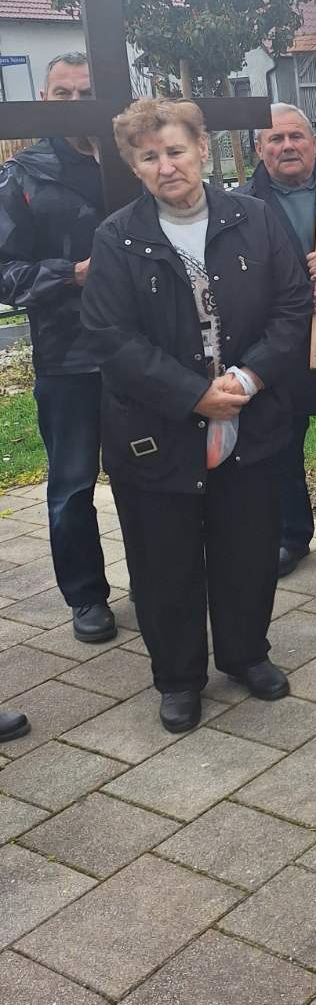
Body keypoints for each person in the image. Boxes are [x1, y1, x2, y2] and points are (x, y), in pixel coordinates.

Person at [81, 98, 310, 733]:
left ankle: (246, 654)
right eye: (149, 156)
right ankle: (179, 678)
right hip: (156, 432)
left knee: (248, 549)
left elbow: (293, 306)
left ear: (203, 150)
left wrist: (249, 376)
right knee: (165, 561)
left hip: (250, 421)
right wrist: (192, 394)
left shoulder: (255, 219)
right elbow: (110, 337)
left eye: (176, 151)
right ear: (134, 166)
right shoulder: (116, 238)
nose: (166, 166)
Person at [0, 53, 113, 644]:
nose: (75, 104)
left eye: (86, 93)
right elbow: (5, 274)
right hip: (67, 354)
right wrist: (72, 274)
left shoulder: (132, 157)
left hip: (141, 350)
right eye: (62, 94)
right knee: (72, 483)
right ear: (43, 99)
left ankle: (163, 577)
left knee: (154, 474)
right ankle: (86, 595)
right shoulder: (23, 175)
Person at [240, 104, 316, 575]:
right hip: (282, 343)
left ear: (315, 144)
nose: (287, 146)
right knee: (281, 442)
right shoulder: (243, 206)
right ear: (259, 148)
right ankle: (290, 534)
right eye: (275, 139)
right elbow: (238, 277)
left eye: (297, 137)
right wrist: (295, 295)